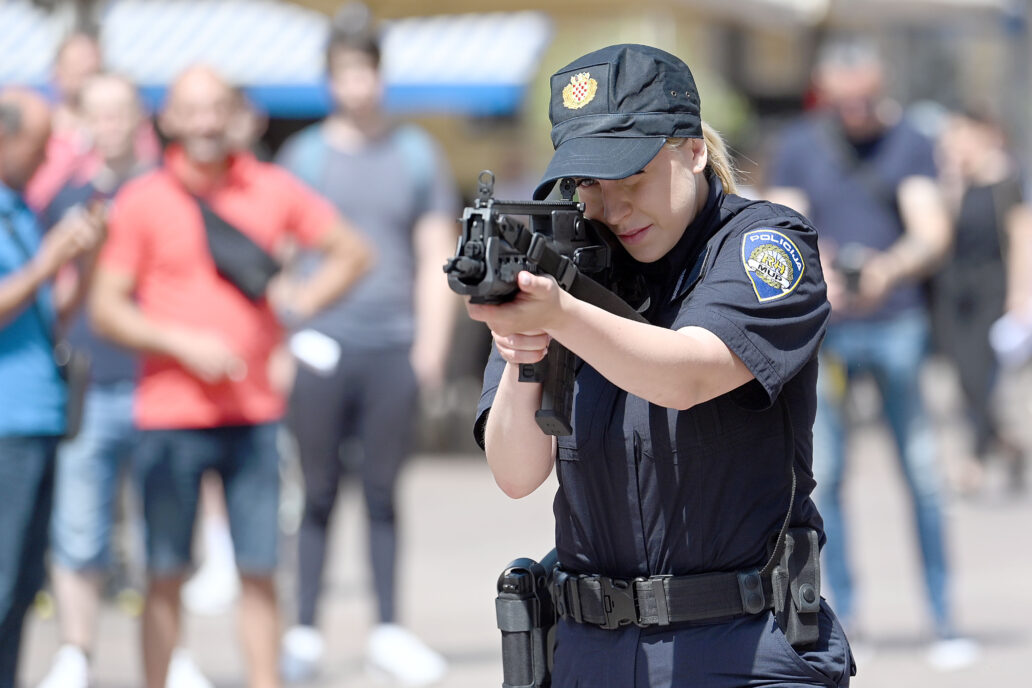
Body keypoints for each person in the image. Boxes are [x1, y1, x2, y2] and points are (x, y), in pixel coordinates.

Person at [468, 44, 854, 687]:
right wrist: (524, 352)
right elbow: (516, 472)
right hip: (592, 653)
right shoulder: (571, 270)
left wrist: (560, 315)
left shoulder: (763, 245)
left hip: (741, 648)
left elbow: (688, 374)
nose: (612, 206)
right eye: (589, 183)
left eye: (632, 176)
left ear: (693, 150)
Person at [89, 65, 373, 688]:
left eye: (216, 108)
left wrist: (297, 305)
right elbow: (105, 307)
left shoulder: (272, 187)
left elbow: (353, 251)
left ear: (234, 113)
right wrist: (178, 343)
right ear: (168, 119)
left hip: (255, 413)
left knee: (260, 571)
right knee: (164, 574)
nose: (206, 122)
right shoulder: (142, 200)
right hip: (167, 415)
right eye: (192, 109)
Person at [765, 39, 978, 670]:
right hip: (825, 330)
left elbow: (930, 228)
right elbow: (782, 223)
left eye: (864, 96)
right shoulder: (802, 143)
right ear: (827, 93)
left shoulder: (909, 139)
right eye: (844, 98)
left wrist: (888, 269)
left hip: (896, 325)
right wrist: (821, 269)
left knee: (922, 473)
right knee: (824, 477)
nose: (855, 109)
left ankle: (942, 616)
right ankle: (844, 615)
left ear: (878, 86)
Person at [274, 6, 457, 685]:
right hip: (320, 344)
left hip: (393, 345)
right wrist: (283, 340)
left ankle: (387, 628)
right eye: (346, 71)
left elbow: (435, 250)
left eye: (367, 70)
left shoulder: (415, 154)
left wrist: (430, 349)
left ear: (381, 76)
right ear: (329, 80)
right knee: (316, 492)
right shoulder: (305, 156)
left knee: (382, 491)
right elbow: (285, 257)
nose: (358, 84)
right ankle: (303, 633)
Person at [0, 87, 105, 688]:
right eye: (39, 149)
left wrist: (84, 259)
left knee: (19, 588)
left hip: (37, 422)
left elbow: (46, 316)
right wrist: (45, 262)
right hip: (7, 428)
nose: (46, 164)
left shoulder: (19, 210)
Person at [934, 107, 1031, 494]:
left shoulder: (1009, 180)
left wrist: (1021, 293)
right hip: (954, 291)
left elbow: (1022, 239)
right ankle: (1007, 446)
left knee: (979, 378)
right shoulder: (955, 183)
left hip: (995, 286)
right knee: (961, 377)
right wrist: (953, 180)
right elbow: (942, 232)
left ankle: (973, 461)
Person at [25, 31, 159, 212]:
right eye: (75, 66)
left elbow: (148, 170)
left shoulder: (131, 124)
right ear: (57, 72)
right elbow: (36, 196)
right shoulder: (42, 130)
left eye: (91, 68)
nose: (83, 74)